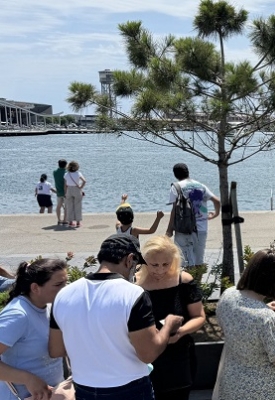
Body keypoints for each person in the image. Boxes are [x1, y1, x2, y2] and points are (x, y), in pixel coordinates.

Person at [49, 234, 184, 400]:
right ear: (129, 260)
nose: (135, 271)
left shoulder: (64, 295)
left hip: (84, 388)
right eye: (136, 265)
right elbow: (148, 353)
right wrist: (169, 326)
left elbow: (56, 350)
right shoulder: (133, 294)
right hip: (130, 388)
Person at [213, 250, 275, 399]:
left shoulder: (228, 296)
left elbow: (234, 326)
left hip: (230, 385)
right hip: (262, 392)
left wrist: (263, 307)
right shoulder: (266, 319)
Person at [136, 236, 205, 400]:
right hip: (147, 359)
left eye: (165, 264)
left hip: (179, 356)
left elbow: (199, 317)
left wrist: (180, 332)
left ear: (173, 261)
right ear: (144, 261)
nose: (160, 270)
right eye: (154, 265)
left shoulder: (183, 280)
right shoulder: (134, 284)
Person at [0, 259, 67, 400]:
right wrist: (28, 379)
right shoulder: (18, 315)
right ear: (35, 288)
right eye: (58, 285)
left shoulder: (49, 307)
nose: (65, 289)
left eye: (65, 283)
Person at [166, 163, 221, 268]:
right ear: (188, 172)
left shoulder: (176, 187)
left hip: (183, 228)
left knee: (182, 261)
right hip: (201, 229)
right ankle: (197, 283)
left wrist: (169, 230)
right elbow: (217, 201)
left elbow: (174, 210)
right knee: (198, 262)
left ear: (175, 174)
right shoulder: (200, 186)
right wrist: (215, 214)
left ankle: (187, 282)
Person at [63, 160, 86, 228]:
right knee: (78, 205)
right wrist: (81, 187)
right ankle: (78, 222)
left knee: (69, 206)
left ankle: (70, 221)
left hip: (69, 189)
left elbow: (65, 185)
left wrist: (65, 192)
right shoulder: (78, 173)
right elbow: (84, 181)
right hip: (76, 189)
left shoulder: (66, 174)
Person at [53, 159, 67, 225]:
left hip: (58, 191)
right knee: (67, 206)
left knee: (59, 206)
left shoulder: (55, 172)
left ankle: (59, 219)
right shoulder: (66, 172)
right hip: (66, 191)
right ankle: (65, 220)